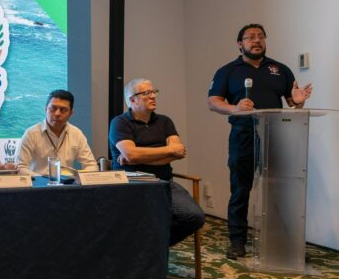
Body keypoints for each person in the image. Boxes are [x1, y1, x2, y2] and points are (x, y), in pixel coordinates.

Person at [208, 24, 313, 259]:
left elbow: (293, 102)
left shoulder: (280, 70)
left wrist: (298, 101)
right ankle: (237, 241)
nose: (256, 40)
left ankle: (283, 242)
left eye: (260, 37)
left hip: (276, 134)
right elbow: (213, 101)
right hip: (243, 134)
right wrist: (235, 108)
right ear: (240, 44)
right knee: (240, 188)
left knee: (279, 188)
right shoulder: (228, 71)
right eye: (250, 37)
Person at [110, 78, 205, 246]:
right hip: (132, 184)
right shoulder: (120, 122)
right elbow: (132, 154)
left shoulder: (165, 121)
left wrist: (137, 157)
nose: (153, 96)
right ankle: (148, 249)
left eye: (154, 92)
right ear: (132, 100)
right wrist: (167, 151)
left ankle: (151, 247)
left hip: (164, 182)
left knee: (194, 217)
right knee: (142, 219)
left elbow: (178, 152)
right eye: (146, 93)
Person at [16, 90, 98, 176]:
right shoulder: (31, 134)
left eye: (63, 110)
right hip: (38, 182)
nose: (57, 113)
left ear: (70, 113)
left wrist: (77, 176)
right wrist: (41, 179)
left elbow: (92, 165)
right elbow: (20, 167)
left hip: (68, 183)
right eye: (53, 108)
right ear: (46, 109)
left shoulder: (76, 134)